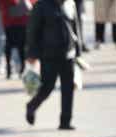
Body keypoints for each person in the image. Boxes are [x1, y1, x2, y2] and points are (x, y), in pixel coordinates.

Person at [26, 0, 81, 130]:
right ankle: (32, 106)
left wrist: (78, 51)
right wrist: (31, 54)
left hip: (68, 54)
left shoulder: (70, 4)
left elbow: (76, 28)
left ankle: (65, 121)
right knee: (47, 87)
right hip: (49, 54)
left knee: (68, 88)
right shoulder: (41, 5)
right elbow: (33, 30)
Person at [0, 0, 37, 79]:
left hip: (20, 19)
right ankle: (13, 69)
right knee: (15, 45)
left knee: (21, 46)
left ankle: (21, 69)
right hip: (12, 19)